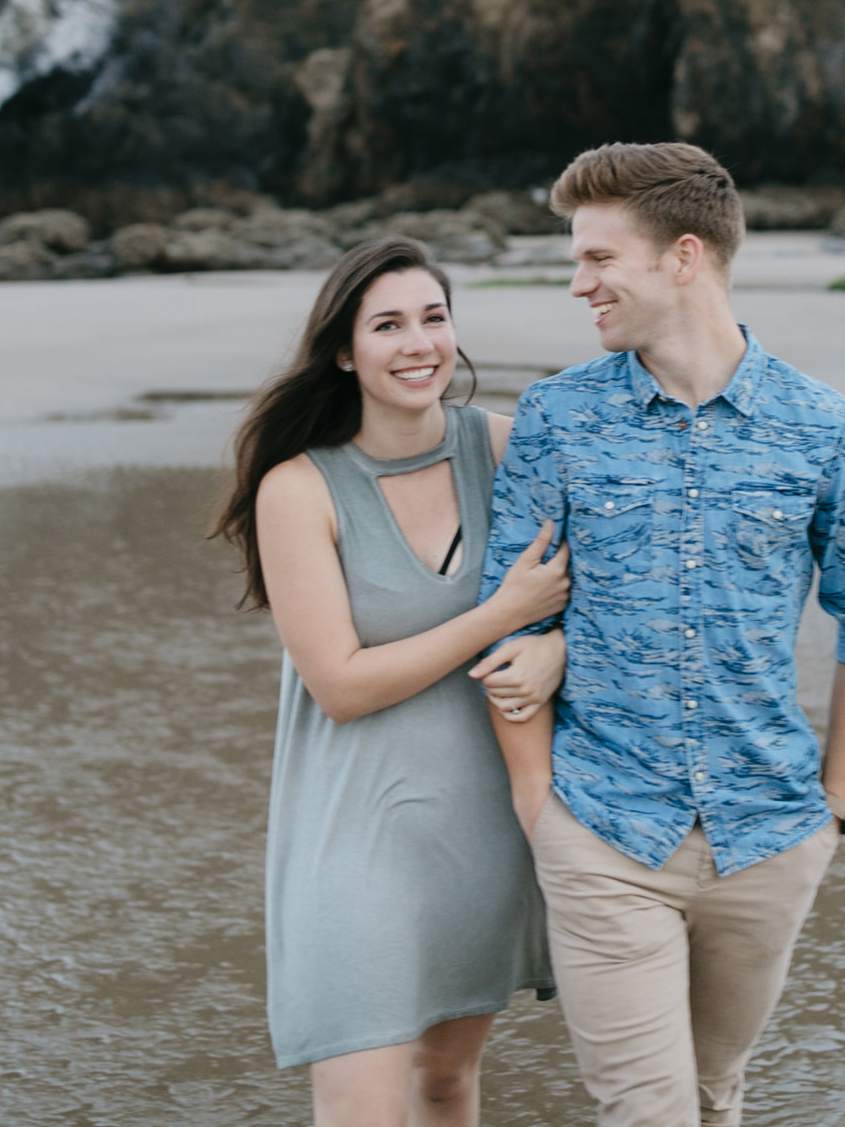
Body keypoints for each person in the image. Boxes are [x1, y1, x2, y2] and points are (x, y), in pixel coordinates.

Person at [479, 143, 845, 1127]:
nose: (578, 283)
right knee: (649, 1110)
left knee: (716, 1097)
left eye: (597, 258)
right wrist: (535, 799)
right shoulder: (557, 417)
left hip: (770, 833)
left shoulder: (827, 428)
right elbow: (513, 612)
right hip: (599, 830)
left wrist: (831, 809)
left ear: (683, 257)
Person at [213, 234, 576, 1126]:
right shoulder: (297, 490)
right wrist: (498, 616)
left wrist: (554, 647)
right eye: (388, 325)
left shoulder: (506, 446)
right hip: (356, 839)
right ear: (344, 349)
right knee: (361, 1104)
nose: (419, 344)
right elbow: (340, 683)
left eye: (434, 318)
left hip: (484, 826)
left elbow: (591, 606)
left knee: (447, 1085)